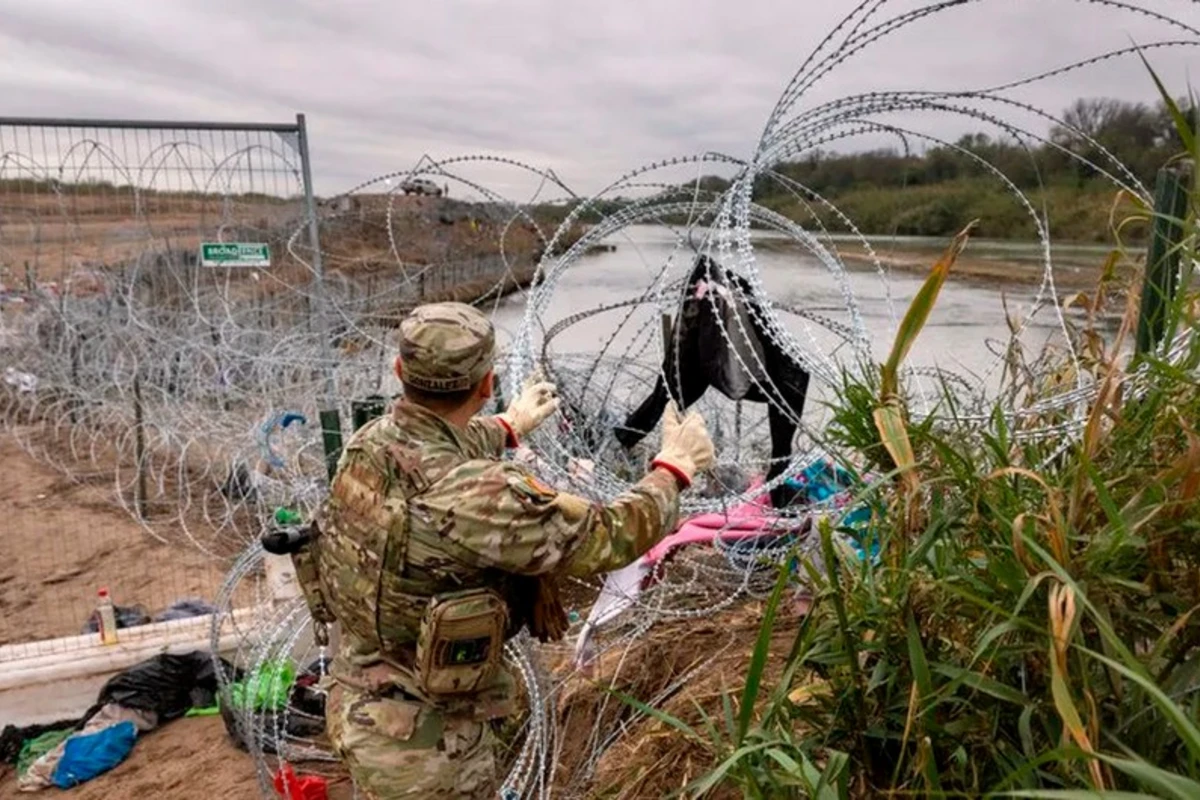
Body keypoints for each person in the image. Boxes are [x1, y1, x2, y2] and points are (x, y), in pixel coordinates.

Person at [311, 301, 715, 798]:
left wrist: (509, 426)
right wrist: (674, 469)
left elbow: (433, 449)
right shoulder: (480, 496)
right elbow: (608, 536)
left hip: (359, 700)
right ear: (485, 384)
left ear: (400, 371)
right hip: (428, 745)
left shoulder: (369, 443)